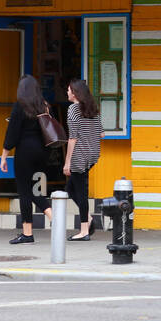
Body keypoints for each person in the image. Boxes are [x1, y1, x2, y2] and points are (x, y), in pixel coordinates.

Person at [0, 74, 51, 245]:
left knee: (24, 191)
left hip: (25, 152)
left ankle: (28, 232)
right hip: (41, 152)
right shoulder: (43, 106)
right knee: (34, 190)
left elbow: (12, 133)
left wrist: (4, 156)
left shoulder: (20, 106)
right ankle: (52, 216)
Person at [64, 79, 103, 241]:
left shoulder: (73, 109)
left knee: (80, 192)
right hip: (93, 154)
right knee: (71, 189)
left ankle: (84, 231)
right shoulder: (93, 109)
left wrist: (67, 162)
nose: (67, 93)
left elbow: (72, 138)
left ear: (75, 93)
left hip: (79, 156)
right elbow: (101, 134)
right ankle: (88, 219)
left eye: (68, 90)